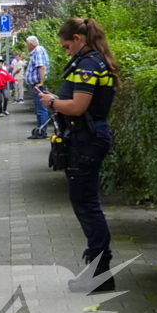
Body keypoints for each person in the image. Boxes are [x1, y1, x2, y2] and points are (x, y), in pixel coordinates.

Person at [36, 18, 119, 292]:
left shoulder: (87, 65)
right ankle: (99, 270)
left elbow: (78, 107)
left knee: (87, 205)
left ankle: (100, 273)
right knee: (86, 203)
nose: (66, 52)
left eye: (66, 46)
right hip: (87, 137)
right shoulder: (93, 61)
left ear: (78, 39)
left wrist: (51, 102)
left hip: (87, 139)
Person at [25, 35, 51, 139]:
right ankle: (40, 129)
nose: (27, 46)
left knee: (41, 109)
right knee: (39, 109)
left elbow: (41, 67)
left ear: (31, 44)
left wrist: (41, 82)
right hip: (36, 85)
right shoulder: (37, 52)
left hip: (38, 85)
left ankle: (42, 131)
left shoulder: (38, 51)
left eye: (27, 44)